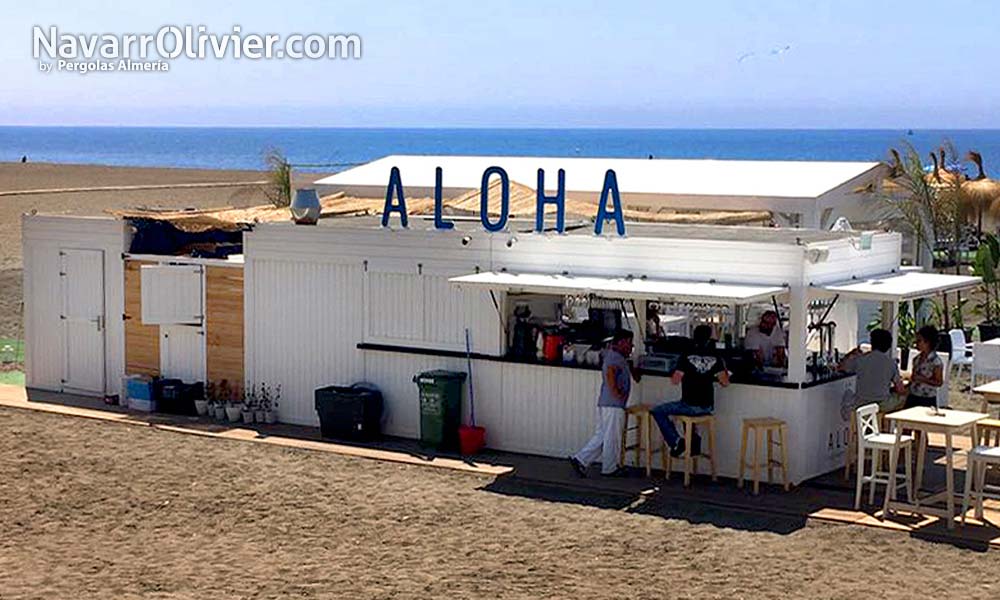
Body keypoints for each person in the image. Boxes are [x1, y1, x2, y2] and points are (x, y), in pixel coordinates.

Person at [569, 329, 640, 477]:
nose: (631, 346)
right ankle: (609, 468)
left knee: (603, 435)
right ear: (620, 342)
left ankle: (580, 459)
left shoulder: (617, 356)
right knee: (611, 436)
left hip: (607, 402)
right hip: (613, 404)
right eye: (628, 343)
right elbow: (610, 374)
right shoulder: (614, 358)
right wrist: (617, 393)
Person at [651, 325, 730, 457]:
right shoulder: (715, 356)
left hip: (688, 405)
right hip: (706, 407)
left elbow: (675, 380)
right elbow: (725, 382)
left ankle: (677, 441)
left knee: (658, 411)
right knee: (684, 411)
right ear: (709, 338)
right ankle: (694, 444)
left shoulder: (686, 355)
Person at [837, 328, 906, 412]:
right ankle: (890, 423)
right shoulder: (891, 363)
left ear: (872, 343)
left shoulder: (861, 359)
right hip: (882, 405)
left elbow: (841, 367)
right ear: (888, 345)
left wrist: (851, 354)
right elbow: (900, 389)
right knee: (902, 398)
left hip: (861, 403)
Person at [905, 325, 944, 408]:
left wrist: (923, 379)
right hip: (913, 396)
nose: (917, 344)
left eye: (919, 341)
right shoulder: (916, 359)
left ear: (927, 342)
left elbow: (939, 382)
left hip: (927, 398)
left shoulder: (936, 362)